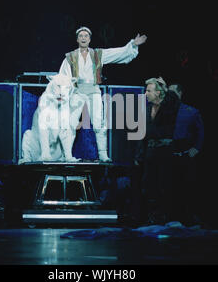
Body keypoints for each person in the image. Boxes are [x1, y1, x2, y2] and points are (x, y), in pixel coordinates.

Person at [58, 26, 147, 162]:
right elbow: (63, 77)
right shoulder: (70, 57)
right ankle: (68, 155)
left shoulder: (97, 54)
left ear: (89, 39)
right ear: (77, 39)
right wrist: (63, 94)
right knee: (71, 123)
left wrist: (132, 45)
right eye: (81, 36)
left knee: (99, 123)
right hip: (77, 91)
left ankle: (103, 154)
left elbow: (116, 53)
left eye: (86, 36)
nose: (83, 38)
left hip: (93, 90)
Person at [134, 77, 180, 225]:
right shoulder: (147, 109)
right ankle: (152, 215)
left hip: (165, 152)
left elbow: (174, 100)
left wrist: (165, 88)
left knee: (164, 184)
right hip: (150, 151)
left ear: (158, 92)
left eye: (148, 90)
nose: (146, 93)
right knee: (148, 185)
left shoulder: (168, 106)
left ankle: (164, 215)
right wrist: (139, 154)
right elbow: (143, 134)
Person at [169, 83, 204, 225]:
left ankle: (189, 217)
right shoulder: (164, 111)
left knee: (187, 186)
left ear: (180, 93)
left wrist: (196, 148)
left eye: (173, 93)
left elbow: (200, 132)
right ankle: (172, 217)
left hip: (185, 154)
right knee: (170, 188)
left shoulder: (191, 112)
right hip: (169, 154)